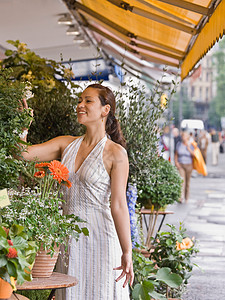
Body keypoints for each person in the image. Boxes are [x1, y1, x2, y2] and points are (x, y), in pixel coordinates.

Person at [20, 84, 134, 299]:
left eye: (88, 101)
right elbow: (22, 154)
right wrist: (22, 124)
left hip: (102, 238)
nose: (80, 105)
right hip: (68, 238)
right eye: (80, 100)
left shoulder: (116, 153)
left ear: (105, 109)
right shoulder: (66, 144)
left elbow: (118, 205)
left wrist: (127, 252)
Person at [174, 131, 194, 203]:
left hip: (189, 165)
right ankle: (180, 197)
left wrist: (189, 148)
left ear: (188, 137)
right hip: (181, 164)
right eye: (182, 136)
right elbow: (176, 154)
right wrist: (176, 162)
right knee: (182, 181)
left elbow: (194, 155)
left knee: (188, 182)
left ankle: (187, 198)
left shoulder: (191, 145)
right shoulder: (179, 144)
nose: (183, 138)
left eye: (185, 136)